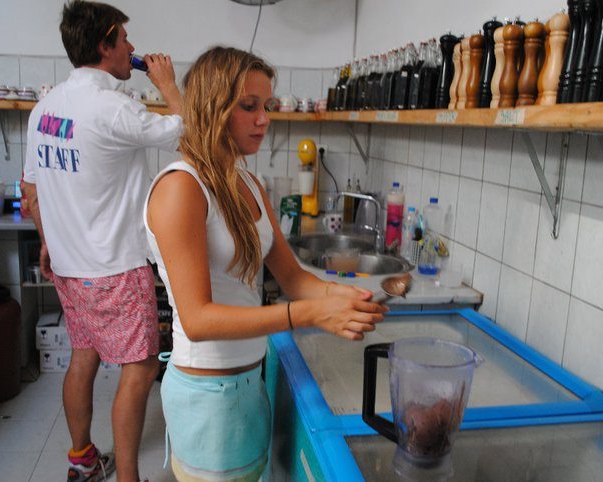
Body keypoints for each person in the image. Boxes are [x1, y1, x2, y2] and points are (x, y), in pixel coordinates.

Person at [144, 46, 388, 482]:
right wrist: (309, 314)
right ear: (213, 107)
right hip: (207, 394)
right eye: (249, 106)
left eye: (267, 106)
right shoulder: (181, 188)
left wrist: (347, 297)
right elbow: (198, 319)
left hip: (248, 383)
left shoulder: (248, 184)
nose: (264, 119)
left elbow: (293, 277)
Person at [22, 1, 184, 481]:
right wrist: (168, 85)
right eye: (126, 40)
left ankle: (82, 460)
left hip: (69, 266)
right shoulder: (117, 108)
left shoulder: (44, 110)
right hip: (115, 266)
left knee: (85, 354)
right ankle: (128, 479)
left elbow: (31, 190)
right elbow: (188, 131)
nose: (133, 49)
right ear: (105, 43)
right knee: (140, 368)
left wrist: (47, 241)